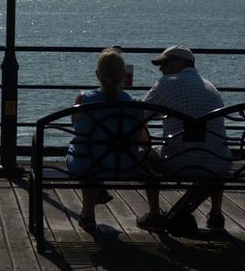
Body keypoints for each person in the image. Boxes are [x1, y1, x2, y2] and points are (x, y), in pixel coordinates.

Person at [136, 45, 231, 233]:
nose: (161, 69)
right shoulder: (211, 87)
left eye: (165, 63)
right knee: (214, 152)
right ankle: (216, 214)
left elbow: (141, 114)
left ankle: (154, 215)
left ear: (180, 62)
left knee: (145, 155)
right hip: (218, 164)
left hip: (178, 161)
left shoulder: (167, 83)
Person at [66, 48, 141, 232]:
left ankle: (88, 213)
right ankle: (96, 195)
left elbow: (77, 128)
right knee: (101, 155)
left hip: (87, 163)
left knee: (87, 153)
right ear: (123, 75)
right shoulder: (134, 103)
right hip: (122, 164)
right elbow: (138, 136)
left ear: (97, 74)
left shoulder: (84, 98)